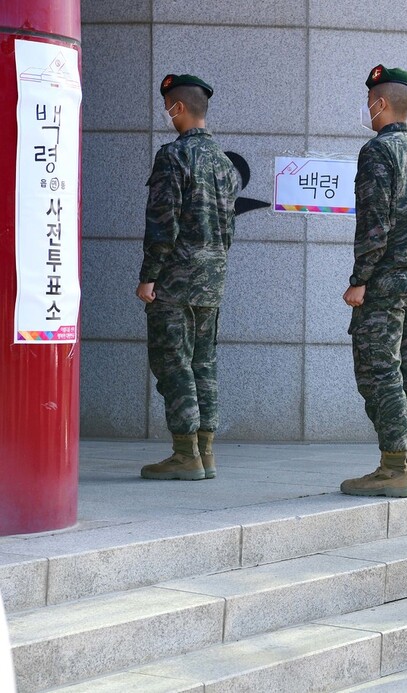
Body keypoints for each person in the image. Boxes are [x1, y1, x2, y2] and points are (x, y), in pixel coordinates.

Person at [339, 65, 407, 499]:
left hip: (384, 284)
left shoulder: (378, 152)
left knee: (380, 374)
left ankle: (391, 468)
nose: (368, 109)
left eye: (370, 101)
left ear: (379, 102)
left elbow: (374, 225)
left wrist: (360, 278)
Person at [136, 73, 239, 481]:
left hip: (175, 280)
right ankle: (206, 452)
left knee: (173, 364)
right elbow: (228, 229)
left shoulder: (174, 157)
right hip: (212, 279)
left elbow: (163, 223)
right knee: (203, 363)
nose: (167, 113)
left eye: (168, 107)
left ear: (177, 107)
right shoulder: (225, 163)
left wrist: (149, 276)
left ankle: (184, 455)